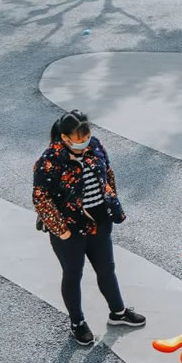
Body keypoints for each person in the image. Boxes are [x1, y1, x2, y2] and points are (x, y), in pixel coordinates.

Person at [33, 109, 146, 347]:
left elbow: (107, 173)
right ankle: (78, 323)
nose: (84, 141)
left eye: (86, 135)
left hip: (99, 223)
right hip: (70, 229)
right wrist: (62, 230)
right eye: (78, 138)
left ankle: (118, 312)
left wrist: (111, 201)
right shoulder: (49, 160)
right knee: (73, 275)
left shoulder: (94, 146)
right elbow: (41, 198)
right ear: (64, 137)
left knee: (107, 269)